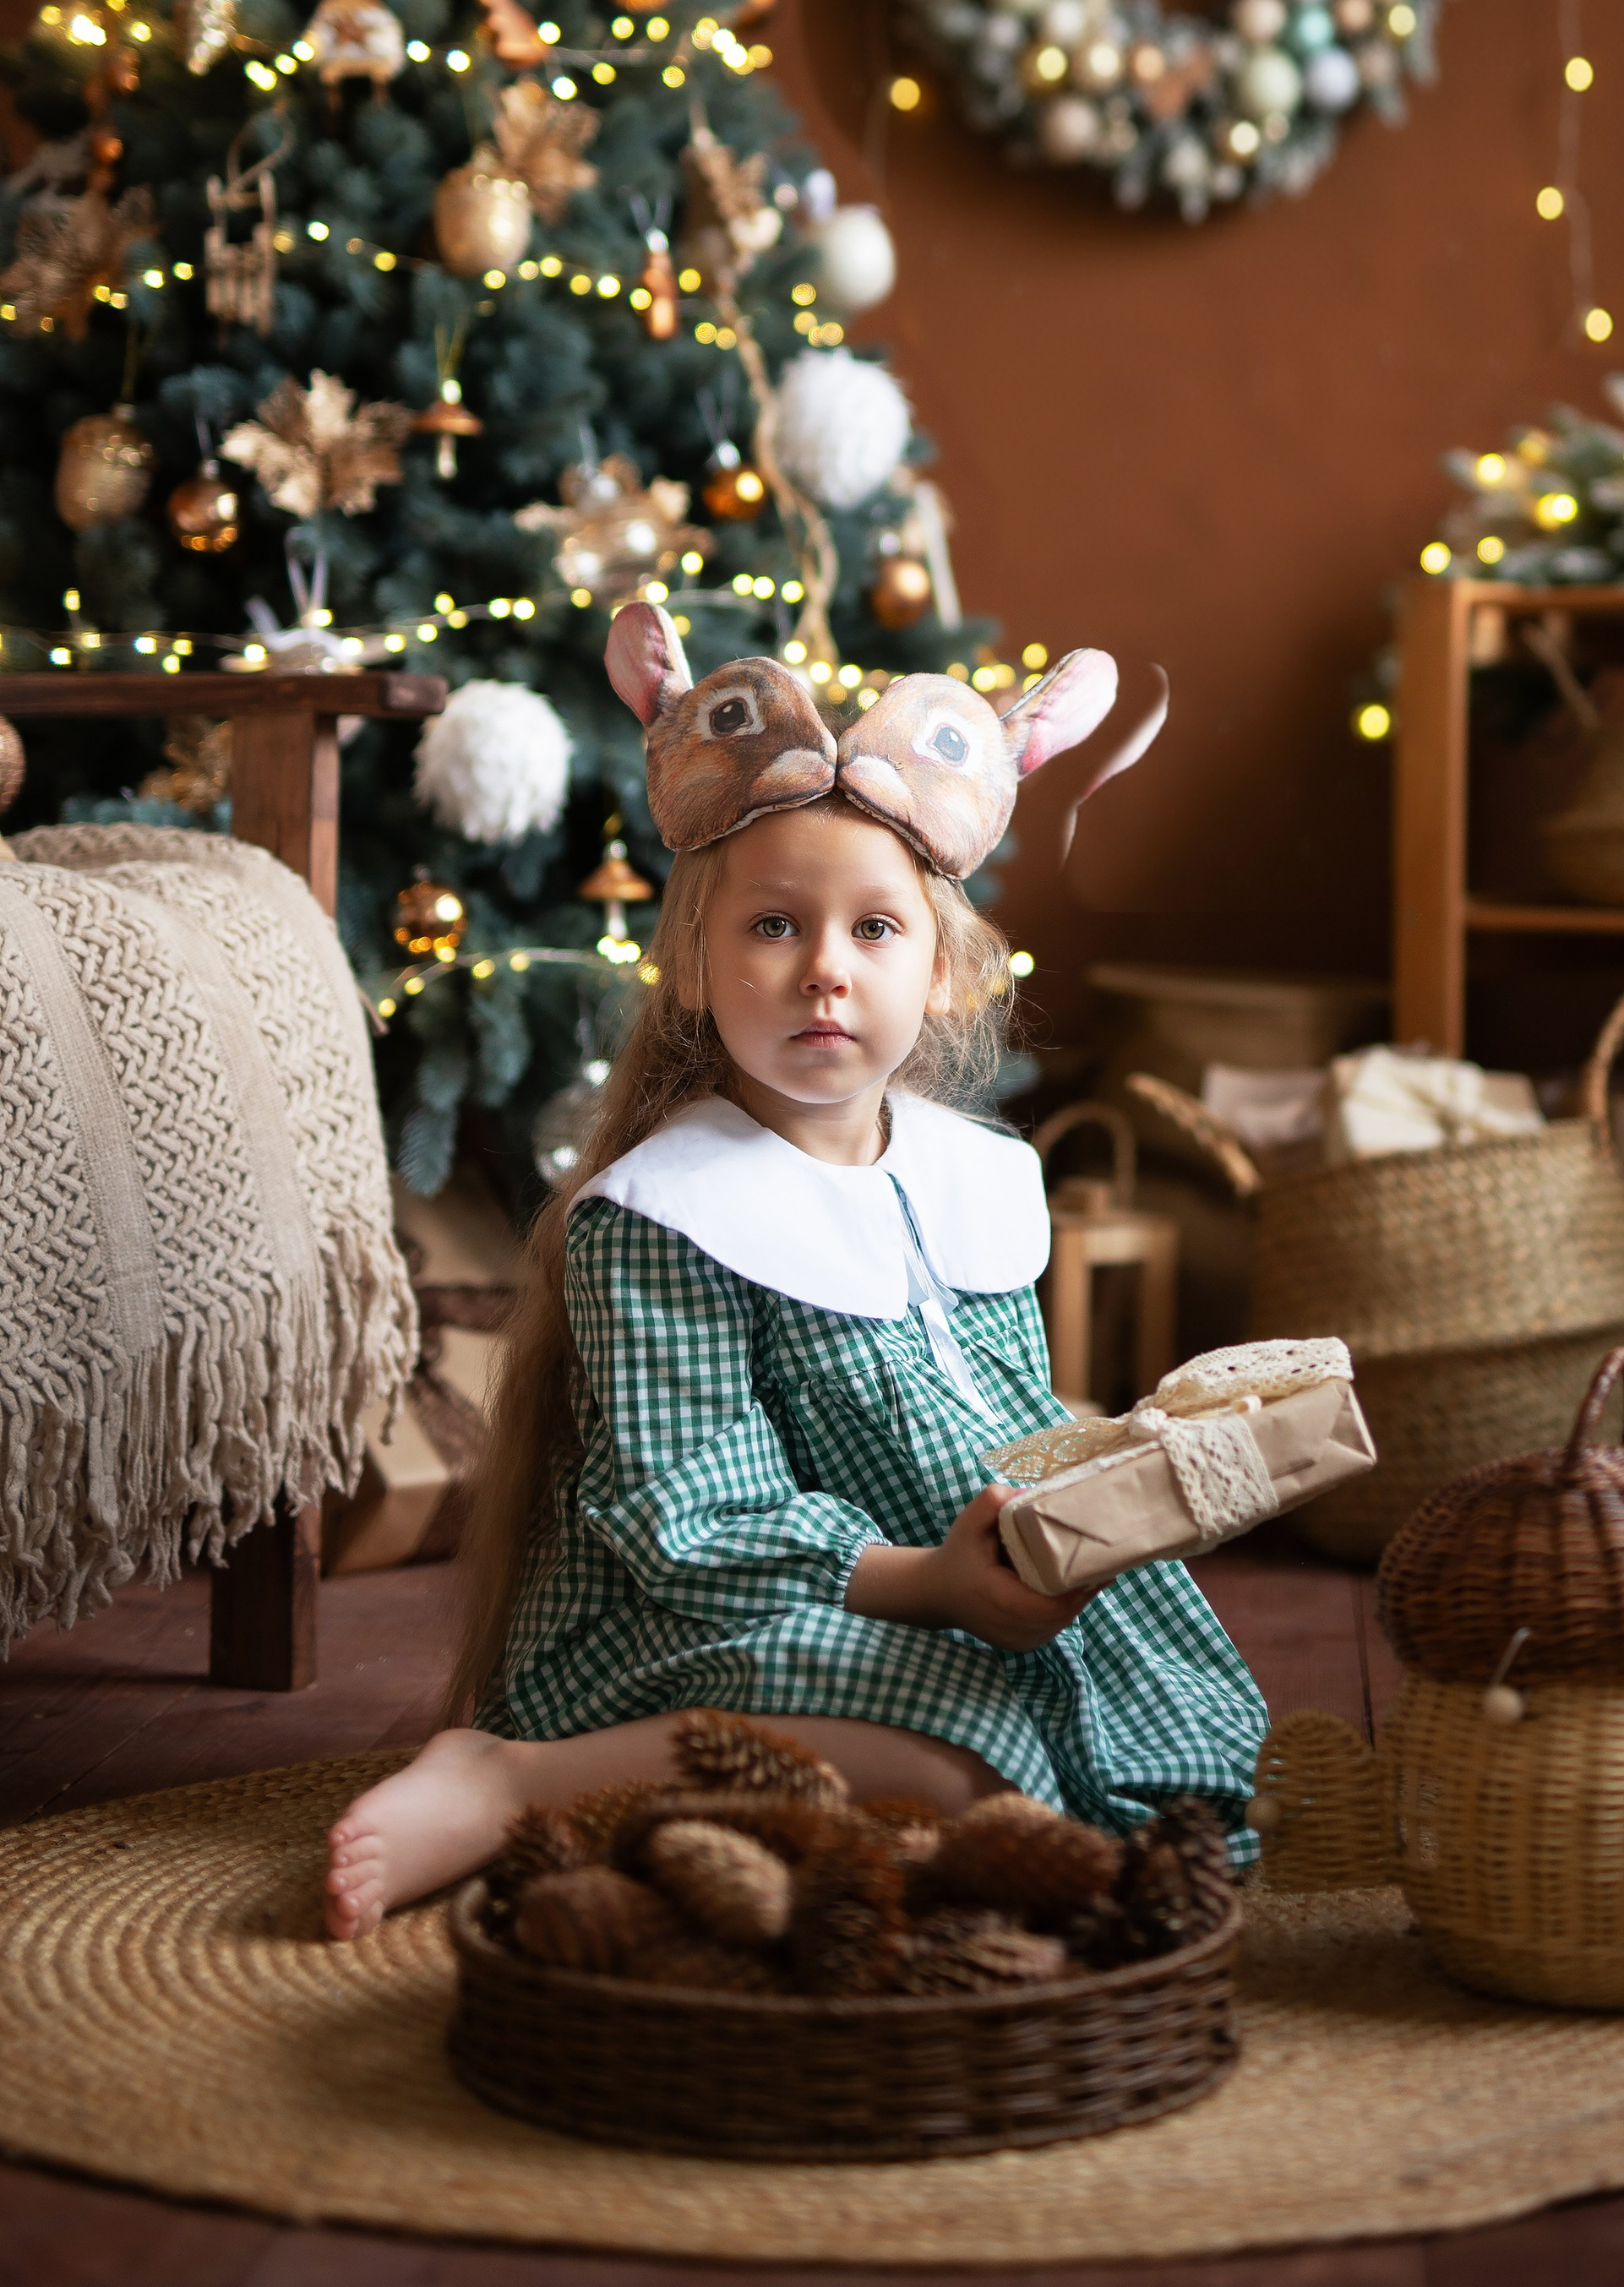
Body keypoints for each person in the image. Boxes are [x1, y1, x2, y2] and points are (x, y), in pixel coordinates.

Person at [324, 626, 1267, 1938]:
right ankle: (515, 1776)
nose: (824, 966)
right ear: (699, 968)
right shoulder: (667, 1216)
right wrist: (930, 1588)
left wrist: (1111, 1497)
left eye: (873, 929)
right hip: (702, 1617)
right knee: (965, 1764)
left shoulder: (971, 1178)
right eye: (773, 925)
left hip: (949, 1585)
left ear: (939, 977)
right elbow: (690, 1520)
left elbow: (1005, 1413)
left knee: (1165, 1730)